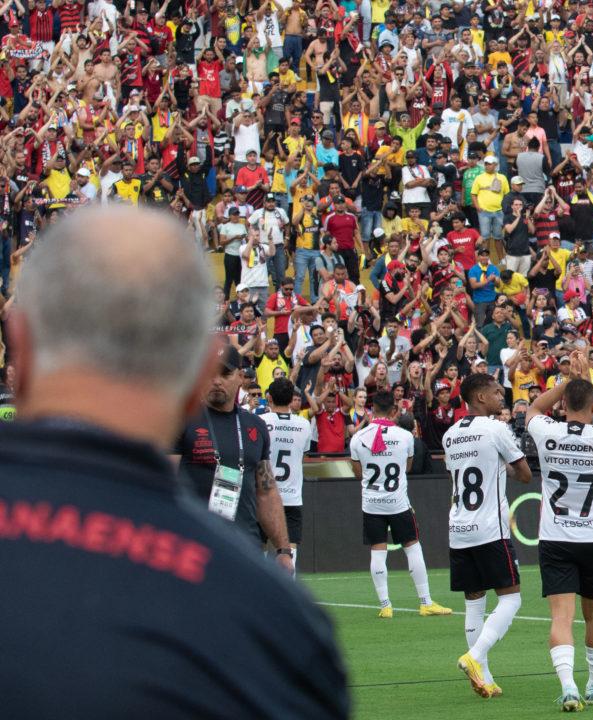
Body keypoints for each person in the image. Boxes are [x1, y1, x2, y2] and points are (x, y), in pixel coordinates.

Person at [0, 206, 347, 717]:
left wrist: (281, 545)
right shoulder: (278, 623)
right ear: (197, 374)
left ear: (19, 350)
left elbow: (264, 486)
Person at [525, 351, 593, 710]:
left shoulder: (547, 431)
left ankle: (568, 685)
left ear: (564, 403)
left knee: (561, 617)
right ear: (592, 405)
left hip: (555, 538)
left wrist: (566, 381)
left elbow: (532, 410)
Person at [447, 373, 533, 700]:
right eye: (497, 392)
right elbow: (524, 474)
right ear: (480, 397)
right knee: (511, 598)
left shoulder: (452, 434)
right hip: (490, 527)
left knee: (474, 600)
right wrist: (506, 466)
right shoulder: (498, 428)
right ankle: (474, 656)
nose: (502, 397)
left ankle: (484, 676)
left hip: (459, 528)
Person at [175, 349, 292, 563]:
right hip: (195, 547)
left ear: (240, 377)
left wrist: (283, 549)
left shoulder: (256, 426)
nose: (216, 381)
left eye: (225, 374)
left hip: (244, 547)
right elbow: (162, 483)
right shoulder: (182, 420)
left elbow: (266, 492)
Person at [350, 390, 452, 618]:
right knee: (412, 546)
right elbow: (406, 467)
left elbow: (358, 472)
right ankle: (425, 602)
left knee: (378, 551)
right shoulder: (405, 437)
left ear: (371, 409)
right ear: (394, 410)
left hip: (372, 502)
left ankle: (385, 605)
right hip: (397, 502)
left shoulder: (358, 438)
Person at [261, 378, 313, 577]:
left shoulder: (262, 422)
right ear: (292, 399)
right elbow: (304, 453)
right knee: (289, 550)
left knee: (260, 545)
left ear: (269, 398)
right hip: (292, 497)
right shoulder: (304, 424)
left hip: (266, 496)